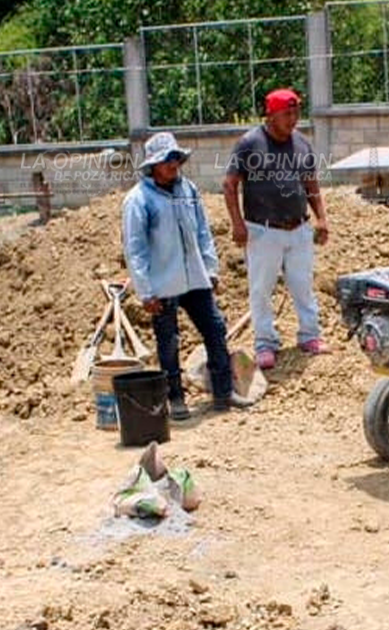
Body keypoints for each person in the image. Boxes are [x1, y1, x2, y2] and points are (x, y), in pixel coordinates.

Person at [122, 131, 250, 419]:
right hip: (162, 283)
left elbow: (203, 232)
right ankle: (175, 398)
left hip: (195, 277)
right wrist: (145, 291)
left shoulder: (188, 190)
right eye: (167, 160)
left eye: (176, 159)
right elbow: (135, 249)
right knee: (168, 342)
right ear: (153, 165)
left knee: (215, 330)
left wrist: (211, 268)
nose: (173, 164)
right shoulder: (139, 200)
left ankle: (222, 392)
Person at [223, 88, 330, 370]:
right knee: (261, 289)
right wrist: (237, 224)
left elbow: (311, 184)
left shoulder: (302, 144)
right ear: (270, 115)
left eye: (296, 112)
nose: (293, 119)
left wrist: (321, 218)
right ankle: (265, 343)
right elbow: (230, 184)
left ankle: (310, 335)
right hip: (263, 231)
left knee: (302, 284)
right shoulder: (249, 144)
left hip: (299, 228)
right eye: (287, 114)